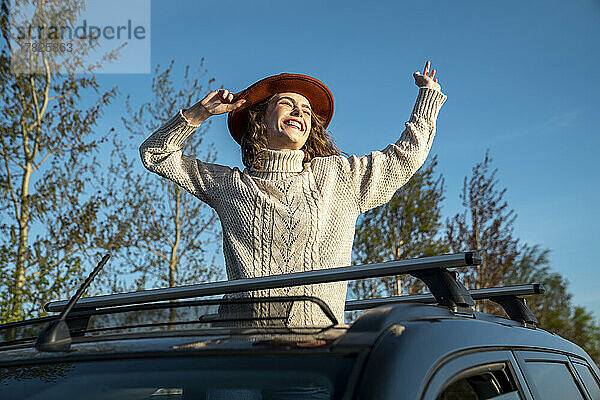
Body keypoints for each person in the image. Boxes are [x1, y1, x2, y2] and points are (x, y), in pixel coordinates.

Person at [139, 61, 446, 327]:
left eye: (307, 110)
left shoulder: (339, 178)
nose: (300, 110)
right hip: (239, 352)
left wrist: (427, 98)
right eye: (287, 103)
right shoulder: (229, 185)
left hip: (314, 354)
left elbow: (404, 158)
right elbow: (156, 154)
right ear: (260, 118)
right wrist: (200, 111)